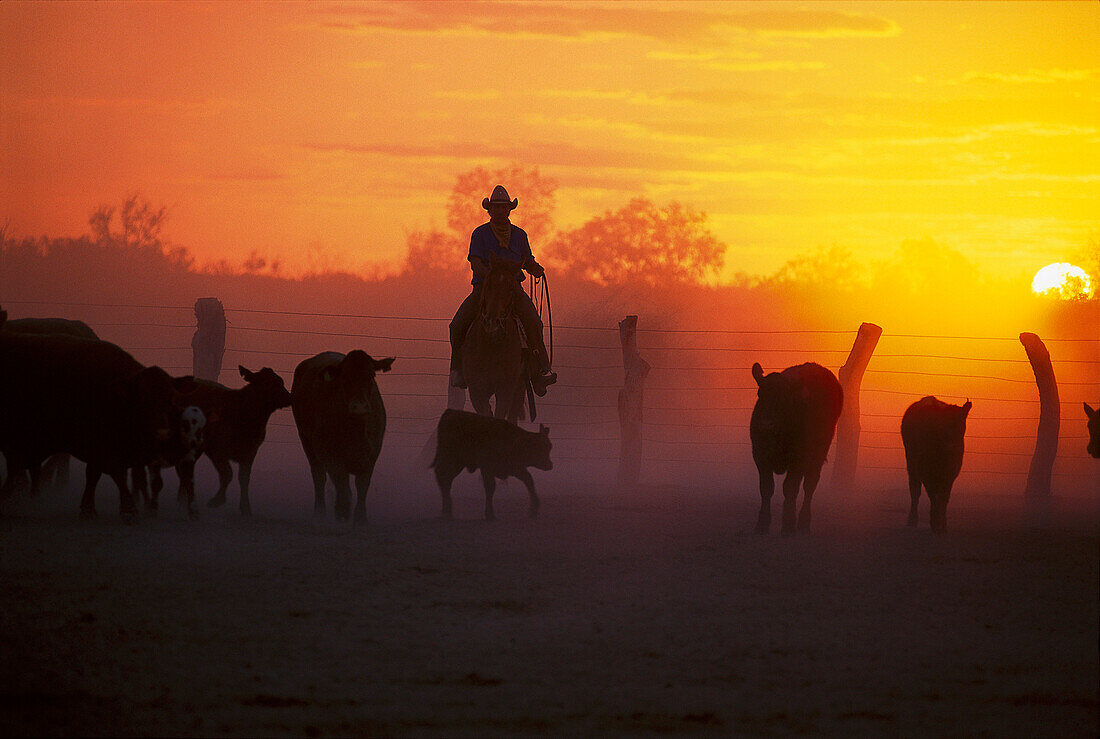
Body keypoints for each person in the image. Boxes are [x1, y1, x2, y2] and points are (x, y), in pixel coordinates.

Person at [449, 185, 558, 396]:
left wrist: (534, 268)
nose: (500, 211)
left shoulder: (519, 235)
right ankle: (459, 371)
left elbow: (527, 259)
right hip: (484, 289)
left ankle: (540, 372)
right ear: (489, 210)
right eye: (496, 207)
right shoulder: (479, 234)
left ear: (509, 210)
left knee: (534, 323)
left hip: (512, 290)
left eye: (503, 207)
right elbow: (475, 261)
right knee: (457, 325)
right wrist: (489, 277)